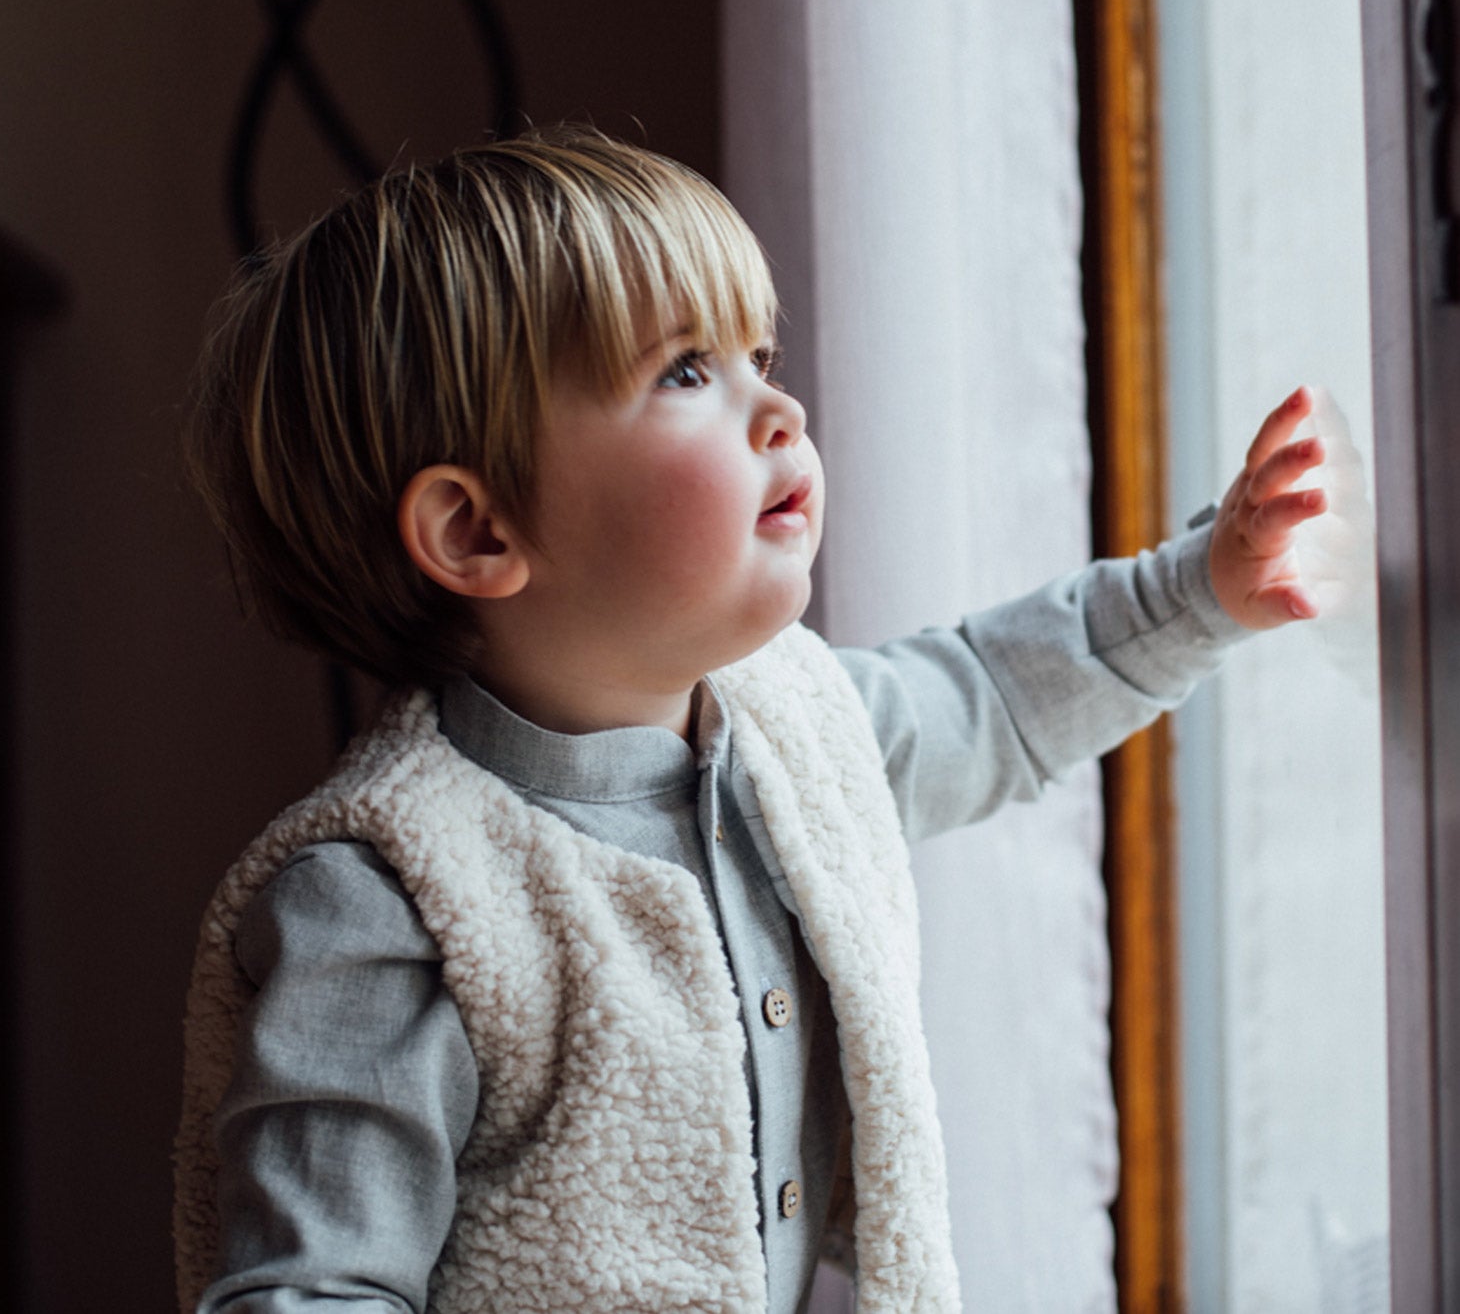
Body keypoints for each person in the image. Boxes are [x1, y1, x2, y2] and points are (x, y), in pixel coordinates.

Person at [175, 127, 1326, 1314]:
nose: (779, 406)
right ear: (478, 534)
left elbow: (989, 693)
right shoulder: (392, 898)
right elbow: (311, 1293)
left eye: (757, 353)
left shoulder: (796, 729)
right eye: (685, 371)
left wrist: (1202, 585)